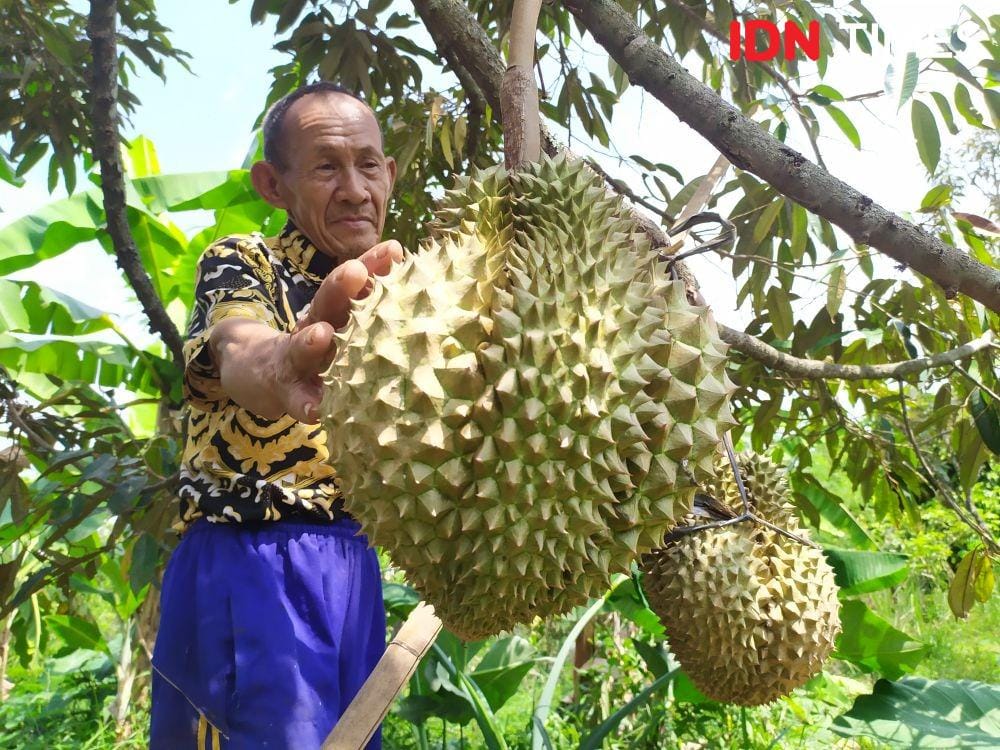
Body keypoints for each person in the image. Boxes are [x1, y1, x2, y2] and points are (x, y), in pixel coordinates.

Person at [149, 81, 404, 749]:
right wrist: (287, 361)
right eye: (326, 166)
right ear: (272, 184)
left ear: (391, 174)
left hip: (355, 574)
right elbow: (238, 347)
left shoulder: (411, 297)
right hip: (249, 564)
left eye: (368, 164)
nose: (354, 188)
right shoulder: (242, 263)